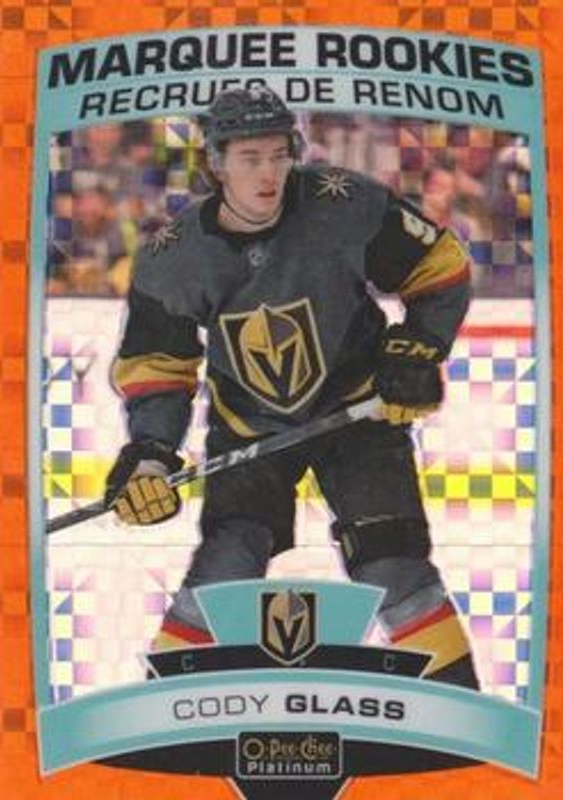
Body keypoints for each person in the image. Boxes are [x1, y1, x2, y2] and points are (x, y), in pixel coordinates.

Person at [105, 87, 479, 690]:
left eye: (280, 155)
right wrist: (150, 454)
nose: (269, 173)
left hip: (359, 415)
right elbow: (158, 365)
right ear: (216, 163)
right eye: (250, 158)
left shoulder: (344, 205)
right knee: (223, 574)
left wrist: (416, 348)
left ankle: (460, 712)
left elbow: (441, 269)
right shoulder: (175, 256)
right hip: (250, 430)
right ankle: (164, 713)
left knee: (395, 566)